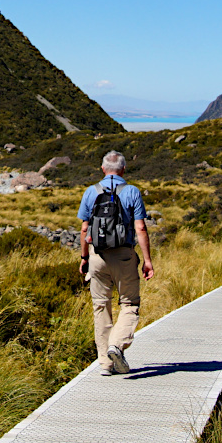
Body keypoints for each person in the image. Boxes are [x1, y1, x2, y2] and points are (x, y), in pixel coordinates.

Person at [78, 151, 154, 376]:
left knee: (101, 306)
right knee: (129, 304)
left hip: (97, 256)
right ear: (123, 169)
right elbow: (140, 228)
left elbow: (84, 229)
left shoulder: (91, 192)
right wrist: (147, 260)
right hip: (124, 255)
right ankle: (117, 345)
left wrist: (84, 258)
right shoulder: (132, 191)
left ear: (103, 169)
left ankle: (105, 364)